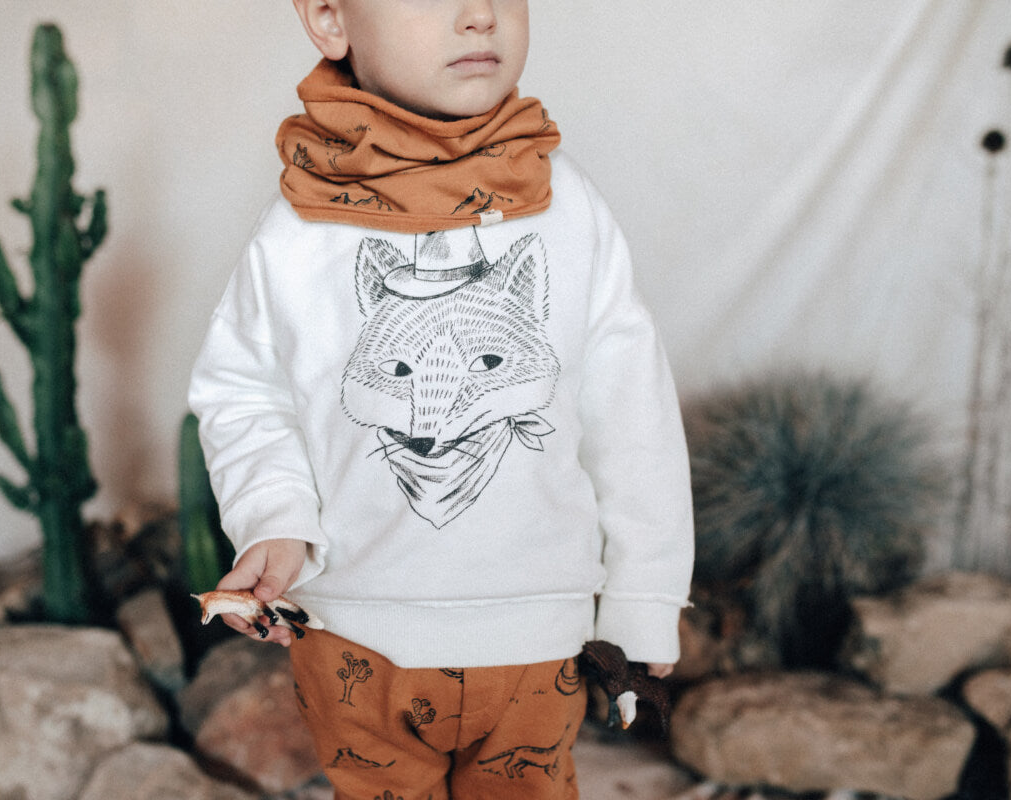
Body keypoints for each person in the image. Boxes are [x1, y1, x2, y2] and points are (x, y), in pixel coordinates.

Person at [188, 1, 694, 797]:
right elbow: (245, 392)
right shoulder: (298, 228)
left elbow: (633, 415)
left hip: (539, 640)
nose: (478, 14)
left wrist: (643, 595)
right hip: (352, 637)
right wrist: (273, 519)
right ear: (330, 19)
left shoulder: (569, 207)